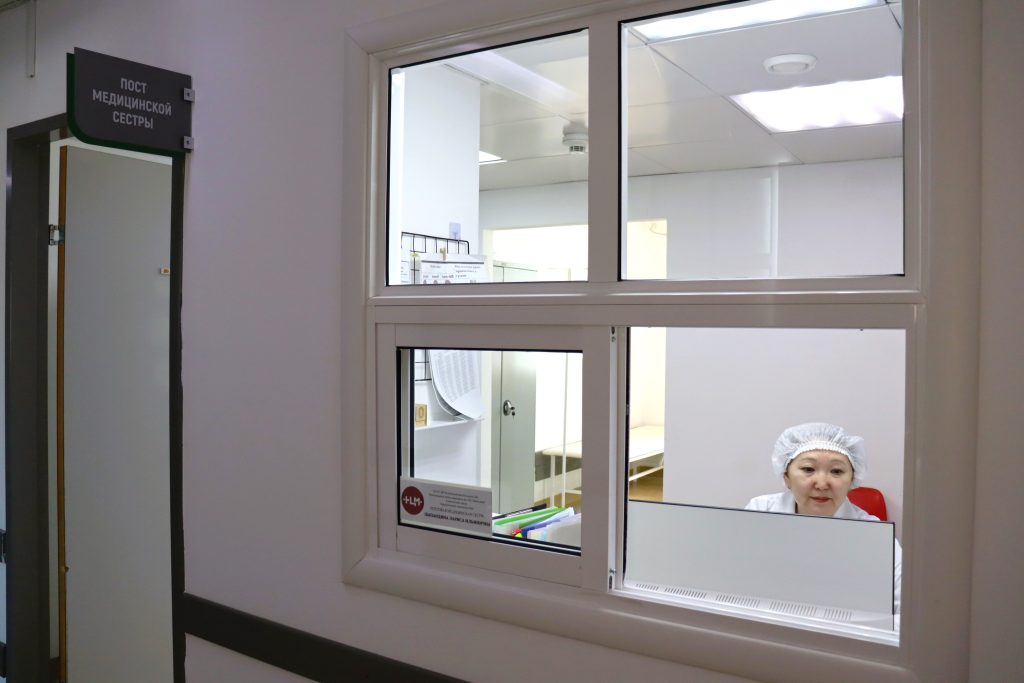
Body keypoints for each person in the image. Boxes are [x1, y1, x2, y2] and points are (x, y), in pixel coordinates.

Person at [746, 422, 902, 615]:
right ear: (786, 476)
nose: (821, 484)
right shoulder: (760, 512)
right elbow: (736, 580)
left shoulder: (875, 537)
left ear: (852, 480)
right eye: (808, 469)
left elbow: (905, 613)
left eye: (836, 471)